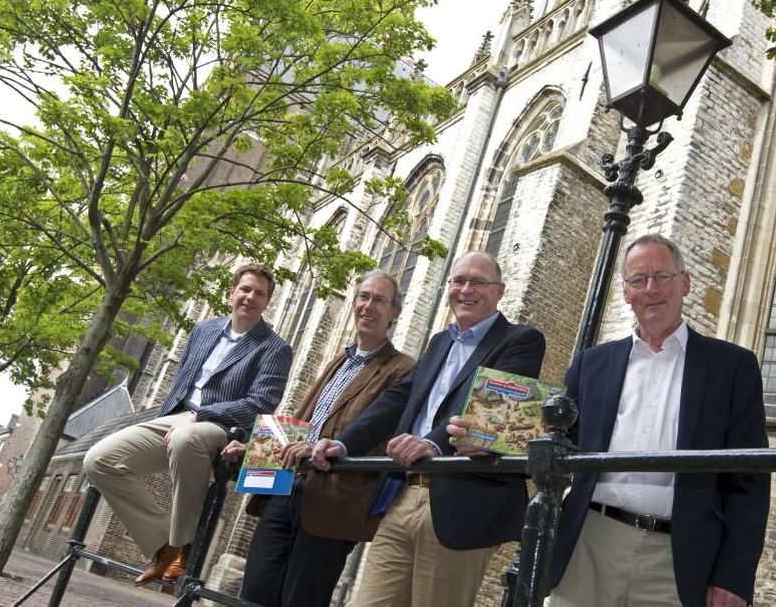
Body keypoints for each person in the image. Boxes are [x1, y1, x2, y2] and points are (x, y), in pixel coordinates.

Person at [544, 234, 770, 607]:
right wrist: (490, 438)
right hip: (588, 546)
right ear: (626, 292)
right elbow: (555, 442)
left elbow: (751, 479)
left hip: (679, 559)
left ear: (685, 283)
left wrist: (734, 575)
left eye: (662, 277)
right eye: (638, 280)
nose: (651, 289)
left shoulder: (732, 367)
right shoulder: (592, 364)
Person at [311, 251, 546, 607]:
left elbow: (486, 410)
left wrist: (431, 444)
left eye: (478, 282)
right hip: (404, 494)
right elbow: (397, 399)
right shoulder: (439, 342)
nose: (466, 289)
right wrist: (343, 445)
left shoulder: (521, 341)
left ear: (499, 291)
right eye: (458, 281)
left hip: (461, 504)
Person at [84, 263, 293, 586]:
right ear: (232, 292)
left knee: (186, 439)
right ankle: (162, 543)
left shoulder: (275, 348)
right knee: (99, 460)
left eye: (260, 294)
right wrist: (174, 416)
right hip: (178, 415)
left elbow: (260, 404)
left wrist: (203, 414)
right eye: (245, 289)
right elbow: (181, 379)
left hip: (224, 427)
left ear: (268, 302)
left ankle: (183, 545)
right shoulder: (204, 330)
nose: (251, 297)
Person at [222, 269, 415, 607]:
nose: (368, 306)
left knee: (302, 599)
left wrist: (323, 448)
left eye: (379, 301)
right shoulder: (340, 360)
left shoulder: (402, 368)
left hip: (333, 501)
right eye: (364, 297)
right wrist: (255, 448)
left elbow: (374, 430)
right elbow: (305, 423)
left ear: (394, 313)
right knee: (254, 593)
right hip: (287, 489)